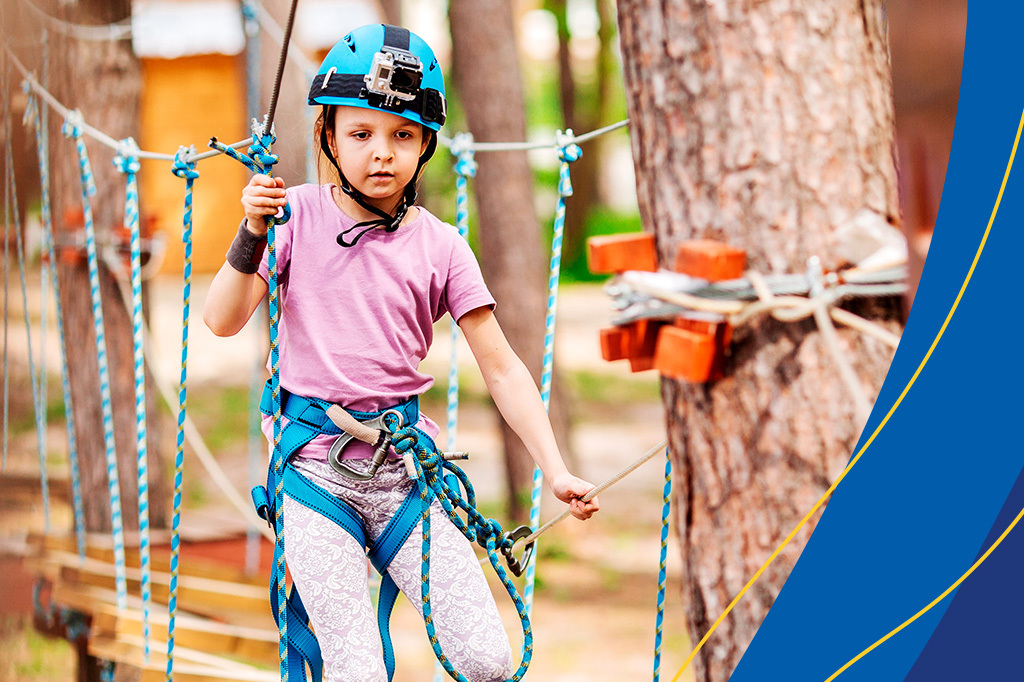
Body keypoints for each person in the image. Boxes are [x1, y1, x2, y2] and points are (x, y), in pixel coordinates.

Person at [203, 23, 599, 682]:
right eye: (361, 134)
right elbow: (222, 318)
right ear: (328, 137)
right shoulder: (292, 218)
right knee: (357, 671)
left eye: (402, 135)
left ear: (425, 147)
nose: (381, 153)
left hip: (404, 471)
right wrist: (251, 229)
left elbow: (501, 366)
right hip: (313, 473)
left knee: (488, 660)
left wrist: (553, 467)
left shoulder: (442, 247)